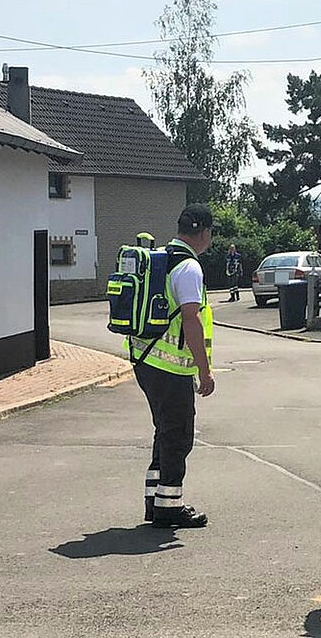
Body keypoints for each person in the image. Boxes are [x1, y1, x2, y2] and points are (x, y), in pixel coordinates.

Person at [131, 203, 216, 529]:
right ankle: (169, 507)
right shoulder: (189, 268)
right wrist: (204, 369)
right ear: (205, 233)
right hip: (169, 367)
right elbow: (191, 320)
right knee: (178, 435)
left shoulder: (162, 259)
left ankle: (156, 501)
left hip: (145, 360)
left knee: (164, 431)